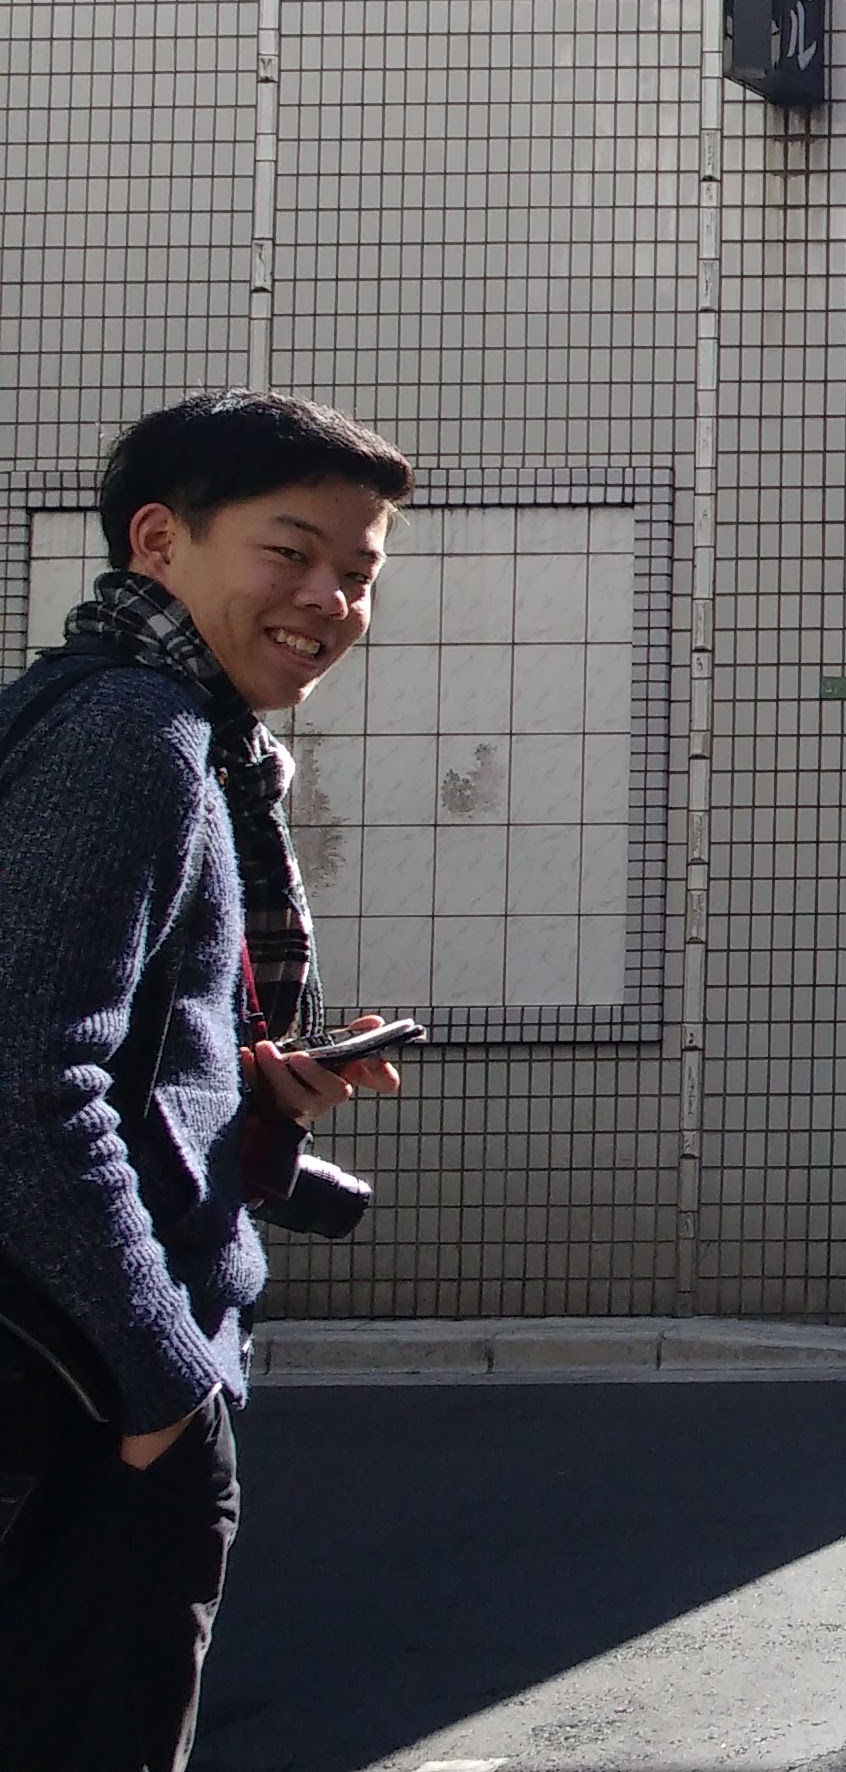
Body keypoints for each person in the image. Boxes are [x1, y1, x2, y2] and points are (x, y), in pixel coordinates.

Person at [0, 392, 416, 1771]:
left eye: (357, 572)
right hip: (80, 1392)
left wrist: (244, 1091)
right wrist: (161, 1385)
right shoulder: (134, 733)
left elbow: (91, 1045)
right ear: (158, 542)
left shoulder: (99, 713)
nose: (329, 602)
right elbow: (27, 1086)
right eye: (290, 553)